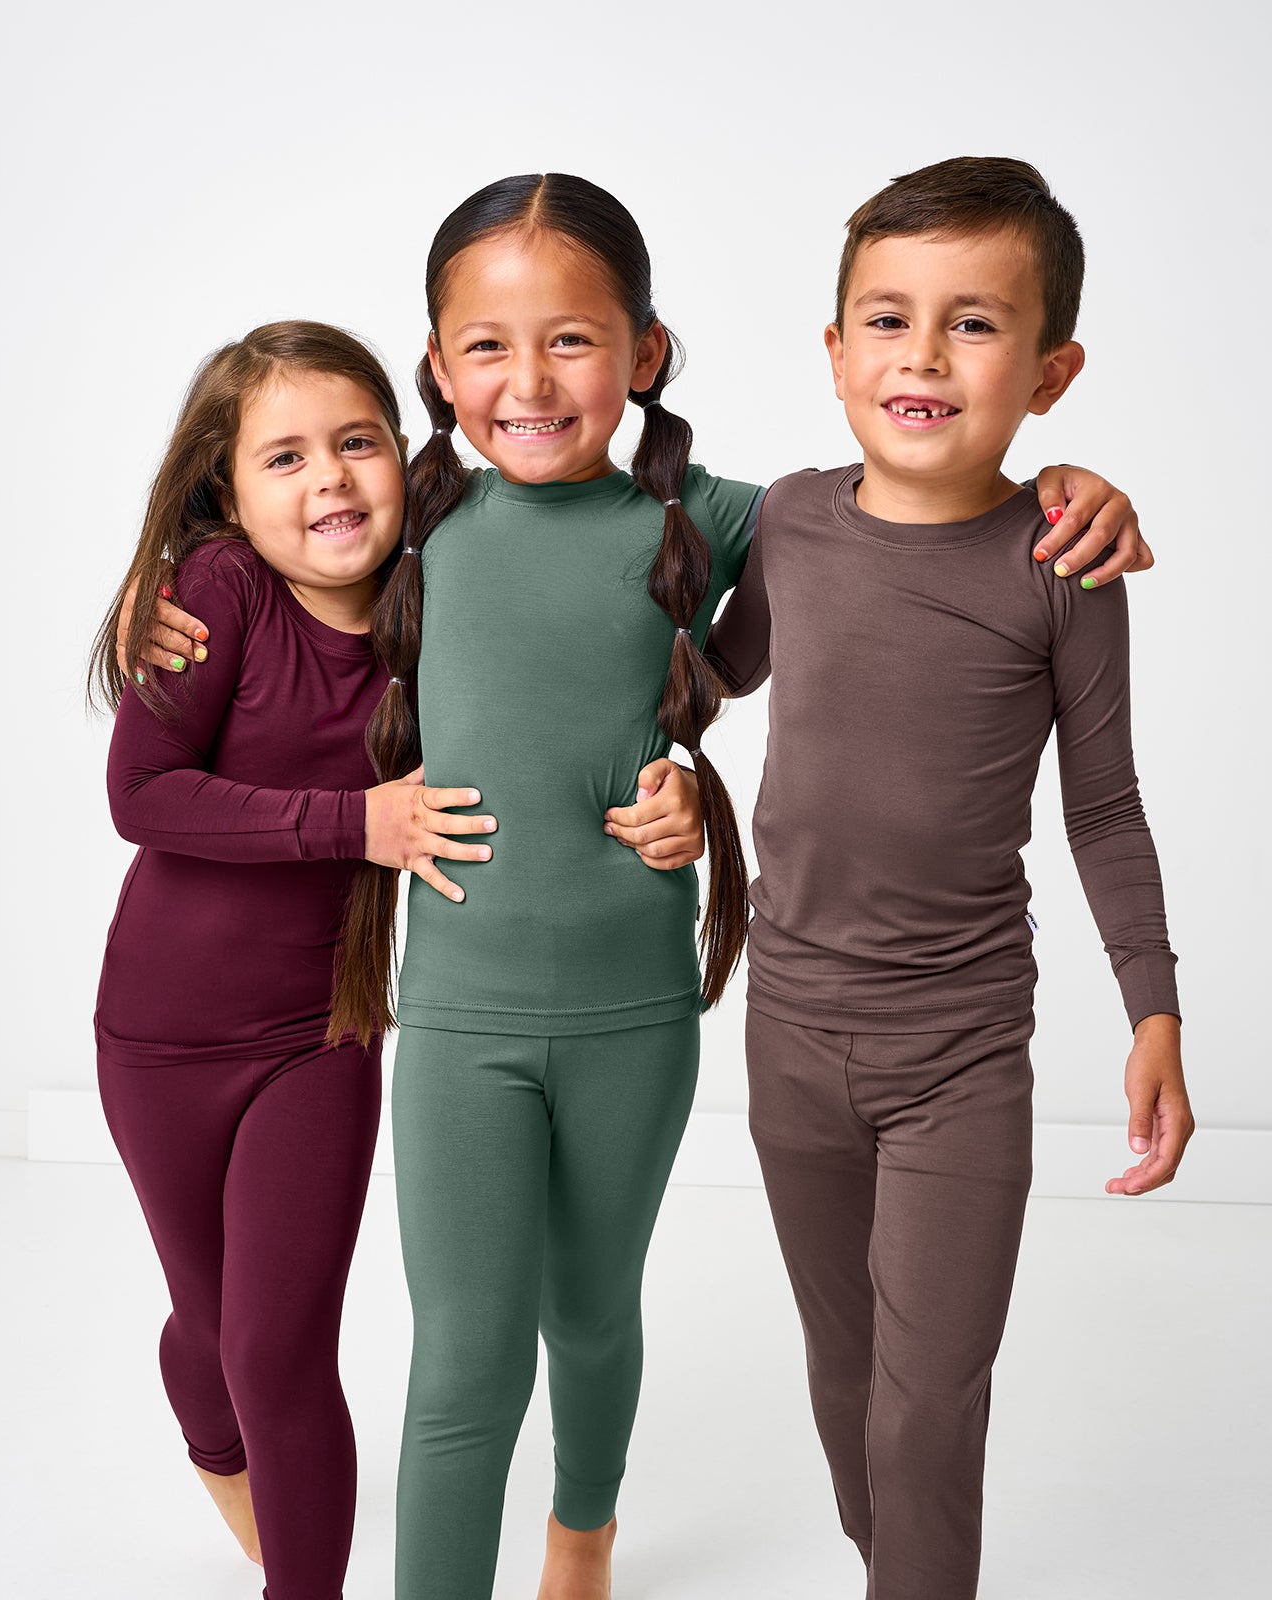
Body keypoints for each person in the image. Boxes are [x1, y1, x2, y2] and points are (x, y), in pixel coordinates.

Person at [141, 174, 1156, 1600]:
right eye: (486, 347)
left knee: (589, 1314)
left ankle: (585, 1532)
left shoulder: (738, 519)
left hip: (636, 1014)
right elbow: (271, 524)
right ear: (439, 368)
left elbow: (907, 507)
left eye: (572, 340)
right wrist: (159, 575)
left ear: (646, 354)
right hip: (454, 1022)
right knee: (460, 1366)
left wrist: (1074, 487)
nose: (530, 380)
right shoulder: (411, 538)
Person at [92, 319, 704, 1600]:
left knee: (277, 1345)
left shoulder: (445, 592)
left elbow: (591, 680)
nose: (329, 480)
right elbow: (144, 793)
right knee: (209, 1339)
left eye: (356, 442)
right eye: (284, 458)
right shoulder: (215, 596)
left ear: (405, 454)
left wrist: (676, 785)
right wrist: (349, 823)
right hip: (159, 1032)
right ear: (226, 493)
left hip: (326, 1030)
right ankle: (208, 1434)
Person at [705, 156, 1195, 1600]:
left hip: (962, 1053)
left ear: (1051, 372)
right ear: (837, 350)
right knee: (847, 1386)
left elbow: (1103, 808)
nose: (923, 353)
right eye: (888, 317)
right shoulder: (789, 521)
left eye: (974, 324)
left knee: (927, 1413)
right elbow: (692, 686)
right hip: (786, 1035)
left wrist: (1154, 1013)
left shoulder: (1065, 558)